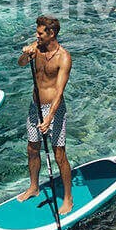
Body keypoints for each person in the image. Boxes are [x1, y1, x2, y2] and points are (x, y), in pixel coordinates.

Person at [17, 15, 73, 215]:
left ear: (52, 33)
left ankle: (68, 198)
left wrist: (49, 118)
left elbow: (59, 92)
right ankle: (34, 187)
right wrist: (26, 54)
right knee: (32, 148)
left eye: (40, 33)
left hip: (54, 110)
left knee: (59, 154)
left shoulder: (63, 57)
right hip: (35, 106)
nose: (37, 35)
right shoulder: (37, 48)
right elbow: (21, 64)